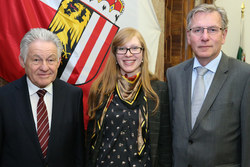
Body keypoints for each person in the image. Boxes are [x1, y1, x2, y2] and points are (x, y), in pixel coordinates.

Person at [167, 3, 250, 167]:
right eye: (197, 30)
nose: (204, 37)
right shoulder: (173, 75)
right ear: (189, 36)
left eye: (212, 30)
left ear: (224, 35)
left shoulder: (244, 76)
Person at [87, 27, 172, 167]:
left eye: (135, 48)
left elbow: (164, 146)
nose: (128, 54)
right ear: (115, 54)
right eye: (122, 49)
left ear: (143, 53)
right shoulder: (100, 89)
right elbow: (90, 141)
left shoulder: (159, 91)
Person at [0, 28, 85, 167]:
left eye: (50, 60)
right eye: (36, 60)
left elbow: (78, 152)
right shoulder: (3, 98)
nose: (44, 67)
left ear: (58, 62)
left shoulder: (73, 96)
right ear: (22, 61)